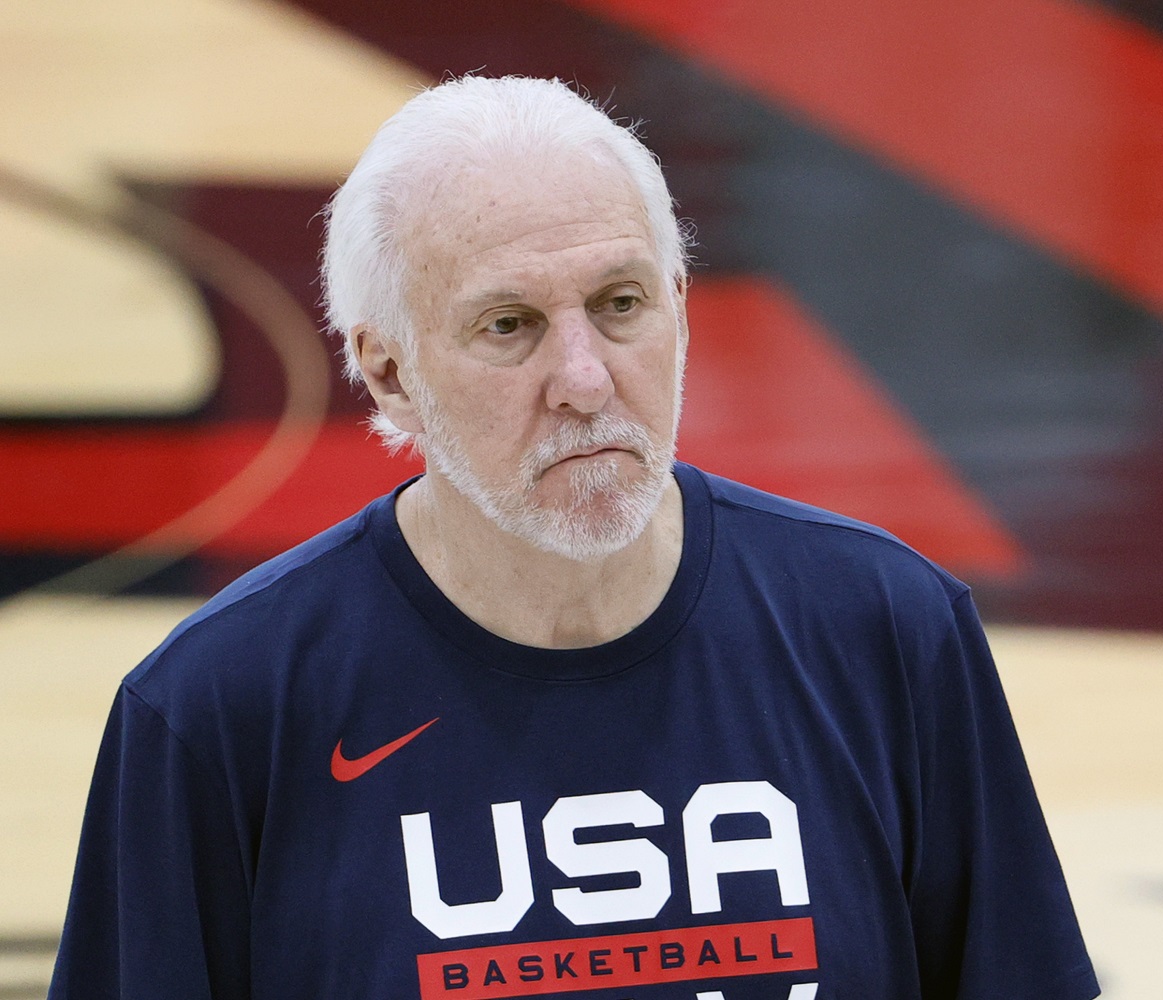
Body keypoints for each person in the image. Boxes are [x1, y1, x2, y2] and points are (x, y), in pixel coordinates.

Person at [50, 75, 1099, 1000]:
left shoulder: (888, 633)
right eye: (508, 326)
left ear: (681, 308)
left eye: (621, 303)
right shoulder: (218, 712)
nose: (586, 380)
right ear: (389, 372)